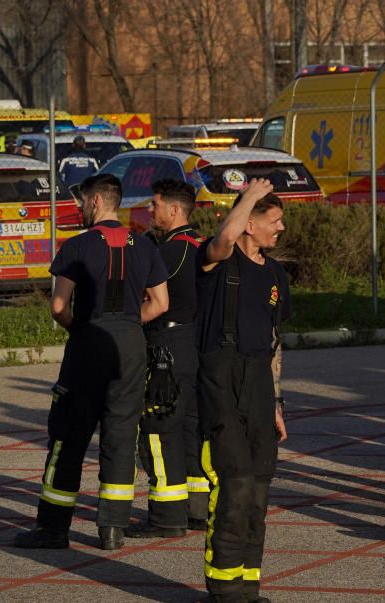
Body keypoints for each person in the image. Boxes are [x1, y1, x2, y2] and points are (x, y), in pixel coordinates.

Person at [14, 173, 169, 550]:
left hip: (89, 343)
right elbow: (161, 304)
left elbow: (58, 306)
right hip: (131, 347)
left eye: (82, 201)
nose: (80, 208)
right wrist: (129, 325)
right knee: (120, 436)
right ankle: (112, 529)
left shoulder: (78, 245)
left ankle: (53, 529)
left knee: (68, 436)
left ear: (96, 201)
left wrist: (81, 330)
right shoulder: (145, 246)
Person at [196, 178, 289, 601]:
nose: (281, 229)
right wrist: (249, 194)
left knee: (259, 490)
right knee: (234, 484)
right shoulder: (220, 259)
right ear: (249, 223)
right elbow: (224, 237)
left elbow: (274, 343)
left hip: (258, 385)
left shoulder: (275, 275)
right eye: (274, 220)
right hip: (221, 378)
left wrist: (277, 404)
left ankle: (248, 586)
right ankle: (223, 589)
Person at [124, 180, 207, 540]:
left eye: (155, 204)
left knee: (158, 429)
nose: (150, 210)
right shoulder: (199, 247)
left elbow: (149, 297)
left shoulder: (168, 253)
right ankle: (197, 509)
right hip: (194, 345)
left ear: (174, 210)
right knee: (190, 427)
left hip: (165, 345)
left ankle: (166, 516)